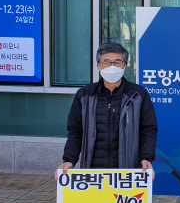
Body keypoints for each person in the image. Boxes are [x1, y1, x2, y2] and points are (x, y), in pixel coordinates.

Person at [55, 43, 158, 179]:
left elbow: (148, 129)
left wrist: (146, 158)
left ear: (125, 66)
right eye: (106, 62)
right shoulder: (84, 95)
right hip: (93, 171)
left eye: (117, 62)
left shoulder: (139, 95)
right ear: (98, 66)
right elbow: (75, 131)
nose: (112, 66)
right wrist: (69, 160)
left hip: (126, 172)